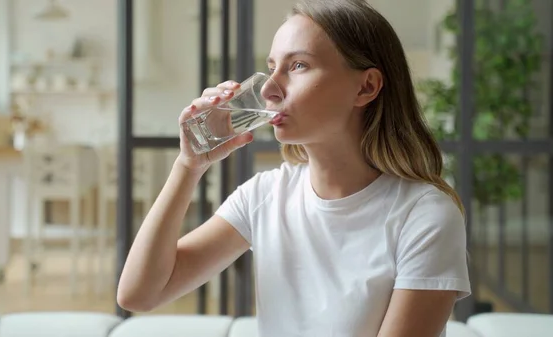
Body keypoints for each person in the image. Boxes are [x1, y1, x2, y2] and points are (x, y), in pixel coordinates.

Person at [117, 0, 471, 336]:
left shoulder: (425, 216)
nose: (269, 89)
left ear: (366, 86)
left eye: (297, 66)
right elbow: (140, 294)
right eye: (271, 68)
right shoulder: (265, 196)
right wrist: (188, 165)